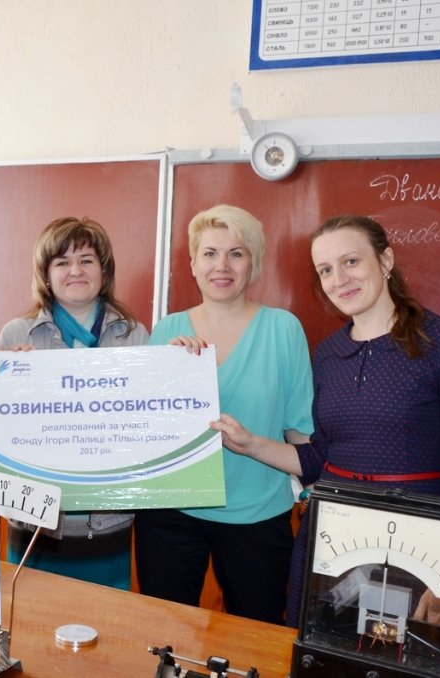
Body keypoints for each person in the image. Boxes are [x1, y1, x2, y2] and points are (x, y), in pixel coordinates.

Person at [211, 214, 440, 626]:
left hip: (415, 547)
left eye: (351, 262)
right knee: (308, 650)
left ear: (385, 260)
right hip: (330, 538)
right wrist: (250, 444)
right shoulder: (327, 354)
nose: (339, 279)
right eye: (325, 270)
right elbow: (318, 458)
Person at [133, 204, 314, 623]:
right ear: (193, 264)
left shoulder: (283, 329)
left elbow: (301, 435)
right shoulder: (166, 331)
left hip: (259, 516)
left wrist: (314, 500)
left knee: (257, 639)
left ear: (254, 263)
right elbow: (145, 431)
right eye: (210, 253)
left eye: (236, 253)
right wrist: (166, 372)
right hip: (170, 514)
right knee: (165, 636)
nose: (222, 266)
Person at [0, 216, 148, 589]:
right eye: (62, 262)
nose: (75, 270)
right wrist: (10, 382)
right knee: (29, 618)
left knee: (105, 620)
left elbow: (148, 427)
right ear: (46, 275)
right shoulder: (17, 334)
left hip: (107, 522)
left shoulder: (134, 336)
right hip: (34, 524)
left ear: (103, 271)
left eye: (86, 260)